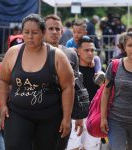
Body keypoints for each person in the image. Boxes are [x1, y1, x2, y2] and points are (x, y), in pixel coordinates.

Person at [0, 13, 75, 150]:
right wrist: (3, 105)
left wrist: (67, 118)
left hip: (50, 116)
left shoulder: (57, 56)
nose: (30, 36)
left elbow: (68, 87)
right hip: (17, 113)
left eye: (35, 32)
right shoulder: (13, 53)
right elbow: (2, 79)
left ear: (43, 32)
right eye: (26, 32)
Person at [44, 14, 83, 150]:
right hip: (38, 112)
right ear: (43, 30)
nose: (54, 32)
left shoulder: (71, 54)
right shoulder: (33, 52)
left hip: (63, 114)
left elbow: (77, 86)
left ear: (62, 31)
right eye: (51, 28)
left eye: (57, 29)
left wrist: (79, 116)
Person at [100, 31, 132, 150]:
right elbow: (106, 92)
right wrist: (103, 118)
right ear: (124, 47)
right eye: (130, 45)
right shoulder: (115, 65)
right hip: (116, 121)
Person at [77, 36, 103, 150]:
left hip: (94, 115)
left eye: (92, 50)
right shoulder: (72, 68)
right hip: (76, 115)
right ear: (78, 51)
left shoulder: (98, 70)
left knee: (91, 147)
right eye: (86, 50)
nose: (90, 53)